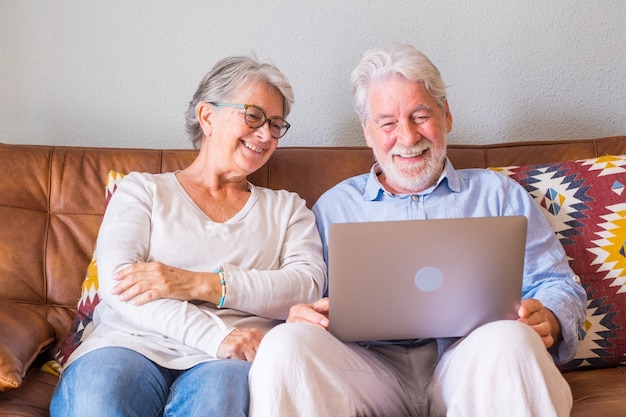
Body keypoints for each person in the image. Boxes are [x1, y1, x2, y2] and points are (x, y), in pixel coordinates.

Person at [248, 44, 587, 417]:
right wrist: (300, 316)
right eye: (388, 123)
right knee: (284, 344)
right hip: (367, 373)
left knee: (512, 338)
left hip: (472, 365)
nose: (408, 138)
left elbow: (559, 284)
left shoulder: (498, 194)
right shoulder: (333, 208)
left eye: (420, 116)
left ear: (447, 117)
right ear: (368, 133)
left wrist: (550, 316)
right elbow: (305, 295)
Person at [50, 55, 326, 417]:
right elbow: (119, 286)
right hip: (129, 343)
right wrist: (216, 336)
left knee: (217, 403)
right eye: (254, 116)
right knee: (98, 401)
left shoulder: (288, 209)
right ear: (207, 117)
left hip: (228, 361)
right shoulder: (142, 191)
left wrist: (199, 284)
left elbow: (306, 287)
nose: (266, 135)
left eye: (276, 124)